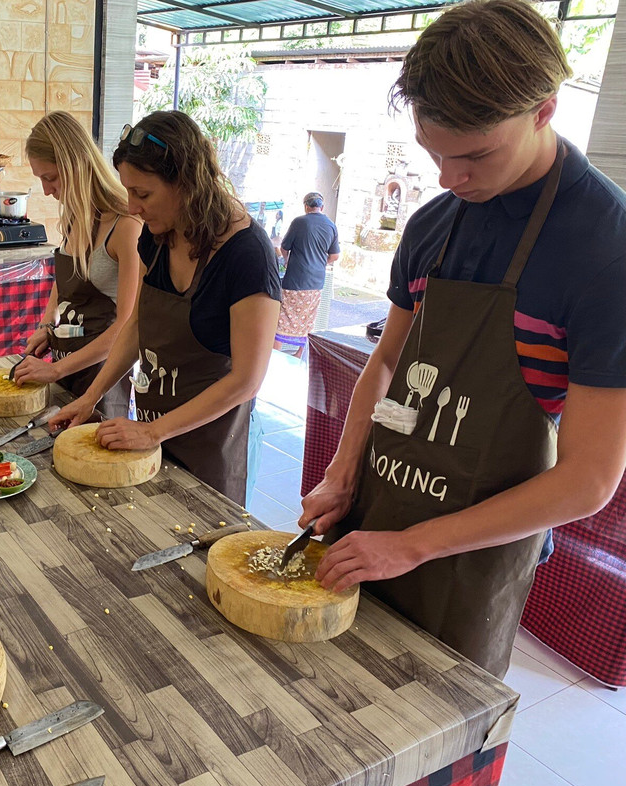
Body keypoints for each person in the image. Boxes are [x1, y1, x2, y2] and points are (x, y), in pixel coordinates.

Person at [300, 0, 626, 679]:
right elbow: (391, 365)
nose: (449, 179)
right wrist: (344, 469)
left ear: (545, 108)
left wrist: (415, 545)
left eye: (475, 155)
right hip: (377, 512)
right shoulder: (433, 225)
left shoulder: (605, 249)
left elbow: (589, 479)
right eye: (433, 154)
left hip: (471, 555)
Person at [52, 111, 282, 505]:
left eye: (143, 194)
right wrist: (90, 398)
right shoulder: (159, 237)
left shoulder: (247, 254)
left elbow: (247, 379)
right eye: (128, 192)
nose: (132, 207)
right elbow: (137, 325)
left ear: (188, 183)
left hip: (210, 442)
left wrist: (154, 432)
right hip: (152, 432)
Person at [14, 111, 142, 418]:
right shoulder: (76, 216)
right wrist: (47, 324)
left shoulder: (126, 225)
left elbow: (126, 329)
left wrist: (55, 371)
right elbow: (64, 281)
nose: (46, 190)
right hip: (68, 364)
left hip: (102, 376)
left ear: (76, 165)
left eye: (51, 177)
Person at [275, 192, 340, 358]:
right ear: (322, 207)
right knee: (307, 319)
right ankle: (298, 355)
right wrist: (320, 264)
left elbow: (284, 247)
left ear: (305, 206)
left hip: (295, 279)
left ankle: (275, 354)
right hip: (316, 282)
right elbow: (334, 256)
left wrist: (287, 260)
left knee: (283, 318)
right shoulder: (331, 226)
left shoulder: (299, 222)